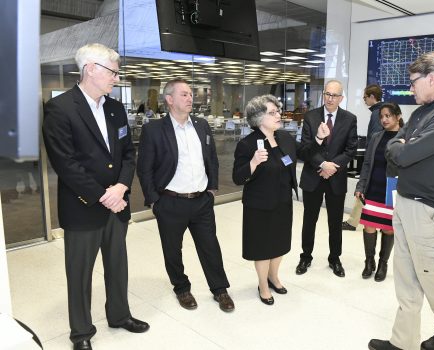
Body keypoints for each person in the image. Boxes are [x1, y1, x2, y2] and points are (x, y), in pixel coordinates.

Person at [42, 43, 149, 350]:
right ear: (90, 69)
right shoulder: (61, 108)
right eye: (112, 72)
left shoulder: (115, 108)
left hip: (117, 204)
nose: (116, 78)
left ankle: (119, 315)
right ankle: (81, 333)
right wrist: (104, 195)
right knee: (79, 274)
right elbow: (65, 163)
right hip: (83, 207)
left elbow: (128, 153)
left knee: (118, 265)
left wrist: (121, 188)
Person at [368, 51, 434, 350]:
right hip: (406, 201)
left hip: (428, 209)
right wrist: (402, 145)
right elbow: (396, 149)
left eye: (414, 82)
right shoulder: (421, 112)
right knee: (406, 276)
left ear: (433, 78)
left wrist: (403, 146)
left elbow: (404, 153)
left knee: (432, 275)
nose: (411, 89)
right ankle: (403, 341)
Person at [136, 78, 235, 313]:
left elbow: (211, 158)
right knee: (172, 249)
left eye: (191, 94)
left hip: (201, 200)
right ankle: (181, 288)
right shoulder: (154, 129)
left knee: (210, 246)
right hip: (170, 201)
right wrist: (154, 201)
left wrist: (211, 189)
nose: (190, 98)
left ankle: (219, 289)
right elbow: (144, 168)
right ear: (169, 100)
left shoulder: (201, 125)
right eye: (184, 94)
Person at [232, 95, 329, 305]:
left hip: (283, 201)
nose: (279, 115)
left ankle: (274, 276)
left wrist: (319, 139)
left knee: (279, 243)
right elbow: (238, 178)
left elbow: (305, 152)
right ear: (258, 118)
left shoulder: (284, 137)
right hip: (259, 205)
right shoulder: (247, 145)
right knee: (262, 246)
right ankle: (263, 284)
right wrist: (254, 162)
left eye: (278, 111)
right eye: (272, 112)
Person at [296, 79, 358, 277]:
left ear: (341, 98)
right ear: (323, 95)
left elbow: (350, 150)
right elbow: (305, 149)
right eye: (327, 94)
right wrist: (322, 165)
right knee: (309, 219)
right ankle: (305, 256)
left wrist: (332, 167)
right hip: (313, 176)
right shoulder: (310, 117)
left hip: (336, 178)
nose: (330, 98)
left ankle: (335, 258)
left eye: (335, 95)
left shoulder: (349, 119)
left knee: (335, 221)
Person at [355, 102, 403, 282]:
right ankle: (369, 262)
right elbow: (367, 163)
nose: (384, 119)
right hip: (373, 187)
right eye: (382, 116)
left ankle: (383, 263)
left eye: (388, 116)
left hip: (392, 190)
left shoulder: (406, 137)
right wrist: (360, 186)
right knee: (369, 226)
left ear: (398, 116)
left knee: (389, 229)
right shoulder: (376, 137)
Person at [342, 84, 384, 231]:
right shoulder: (383, 110)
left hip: (374, 159)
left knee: (363, 187)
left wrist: (368, 157)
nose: (364, 100)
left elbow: (375, 138)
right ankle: (354, 221)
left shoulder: (377, 113)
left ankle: (353, 222)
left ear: (372, 97)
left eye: (365, 97)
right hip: (380, 159)